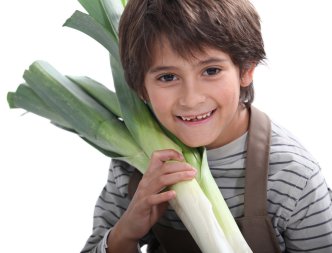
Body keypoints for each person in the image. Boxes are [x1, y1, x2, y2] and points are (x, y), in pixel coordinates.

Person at [81, 0, 332, 252]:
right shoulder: (133, 168)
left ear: (246, 69)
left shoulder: (292, 176)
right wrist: (124, 233)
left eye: (211, 70)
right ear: (140, 87)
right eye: (167, 77)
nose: (191, 99)